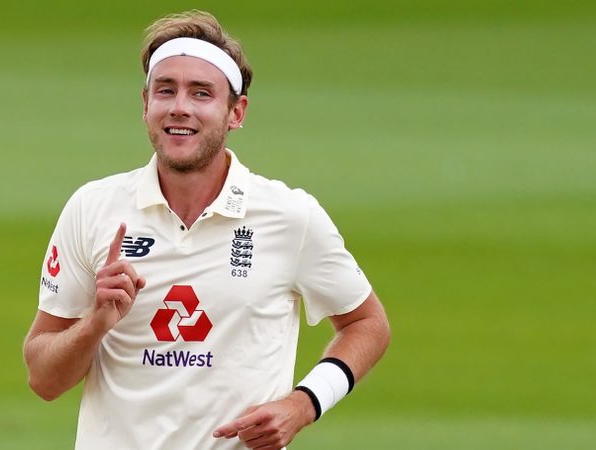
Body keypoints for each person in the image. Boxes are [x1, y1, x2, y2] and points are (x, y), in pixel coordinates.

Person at [23, 10, 390, 450]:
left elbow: (367, 323)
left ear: (236, 112)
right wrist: (95, 324)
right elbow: (43, 379)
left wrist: (304, 403)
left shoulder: (291, 216)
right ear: (145, 104)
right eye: (166, 90)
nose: (180, 107)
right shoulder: (93, 208)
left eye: (201, 93)